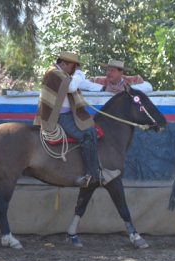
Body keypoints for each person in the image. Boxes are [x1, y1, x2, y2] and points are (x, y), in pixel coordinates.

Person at [33, 51, 120, 187]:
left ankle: (96, 172)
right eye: (72, 66)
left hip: (68, 114)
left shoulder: (61, 73)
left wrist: (105, 88)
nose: (74, 69)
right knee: (87, 135)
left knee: (92, 130)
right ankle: (91, 175)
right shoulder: (54, 73)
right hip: (58, 116)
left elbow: (81, 84)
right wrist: (79, 72)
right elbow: (72, 86)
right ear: (63, 64)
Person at [88, 59, 153, 94]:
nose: (108, 73)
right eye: (108, 70)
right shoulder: (98, 81)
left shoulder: (133, 80)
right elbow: (81, 84)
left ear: (121, 73)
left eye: (112, 71)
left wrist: (126, 88)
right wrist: (104, 88)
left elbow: (149, 87)